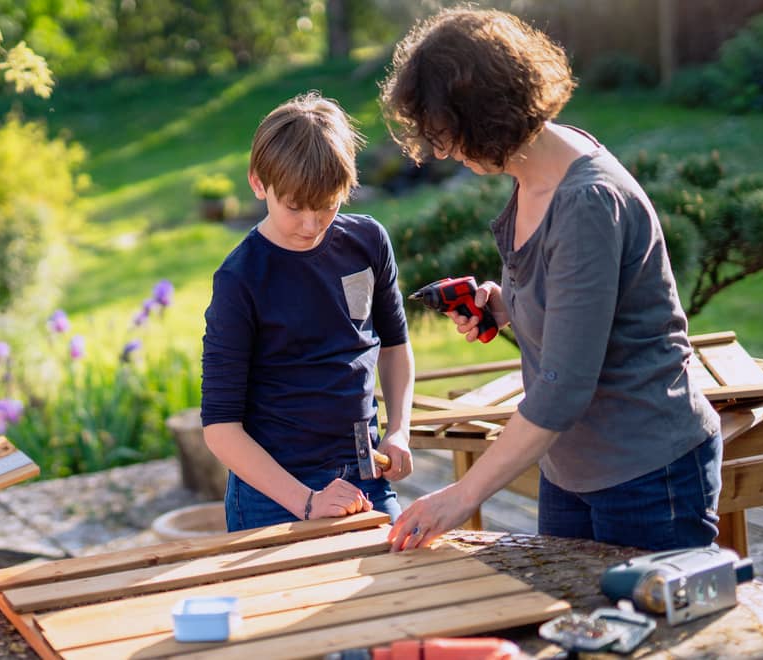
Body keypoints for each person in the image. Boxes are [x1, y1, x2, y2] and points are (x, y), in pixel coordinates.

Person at [379, 8, 722, 553]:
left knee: (648, 635)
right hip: (570, 469)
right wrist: (501, 303)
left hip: (647, 473)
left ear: (488, 114)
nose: (443, 152)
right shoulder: (534, 172)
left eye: (449, 136)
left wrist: (460, 496)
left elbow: (562, 391)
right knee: (572, 630)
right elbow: (579, 300)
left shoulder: (585, 200)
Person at [201, 92, 415, 532]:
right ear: (259, 183)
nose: (311, 225)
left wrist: (398, 431)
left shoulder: (368, 242)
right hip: (274, 496)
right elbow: (221, 428)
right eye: (294, 207)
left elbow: (395, 348)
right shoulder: (240, 280)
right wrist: (308, 502)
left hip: (366, 477)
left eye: (328, 205)